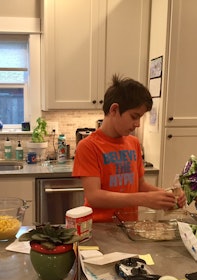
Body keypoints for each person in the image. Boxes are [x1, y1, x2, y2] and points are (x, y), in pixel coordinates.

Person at [72, 74, 185, 222]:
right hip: (100, 228)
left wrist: (167, 197)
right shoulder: (88, 146)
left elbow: (140, 185)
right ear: (114, 110)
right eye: (134, 116)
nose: (137, 123)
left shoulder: (134, 143)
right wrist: (144, 199)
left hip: (129, 226)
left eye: (140, 118)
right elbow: (94, 197)